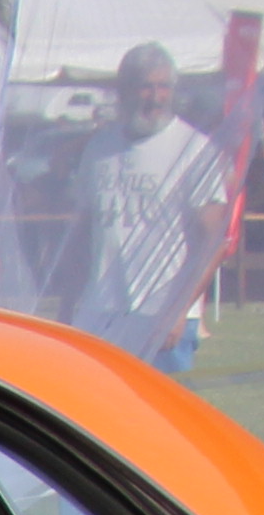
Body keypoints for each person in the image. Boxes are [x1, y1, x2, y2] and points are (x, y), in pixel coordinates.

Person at [64, 45, 235, 367]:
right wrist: (66, 308)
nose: (156, 98)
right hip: (100, 313)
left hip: (162, 316)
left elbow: (213, 241)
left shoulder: (193, 149)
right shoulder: (100, 148)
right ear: (124, 91)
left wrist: (177, 312)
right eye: (146, 87)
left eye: (164, 87)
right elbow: (81, 234)